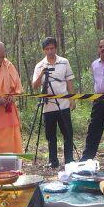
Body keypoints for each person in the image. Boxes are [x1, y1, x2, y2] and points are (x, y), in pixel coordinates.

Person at [31, 37, 76, 168]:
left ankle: (69, 160)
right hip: (48, 106)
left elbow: (69, 82)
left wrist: (72, 99)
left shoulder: (64, 62)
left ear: (56, 48)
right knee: (51, 135)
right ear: (44, 50)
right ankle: (53, 161)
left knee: (67, 133)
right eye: (47, 49)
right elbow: (34, 85)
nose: (50, 51)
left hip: (63, 104)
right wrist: (41, 73)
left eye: (52, 48)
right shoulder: (39, 65)